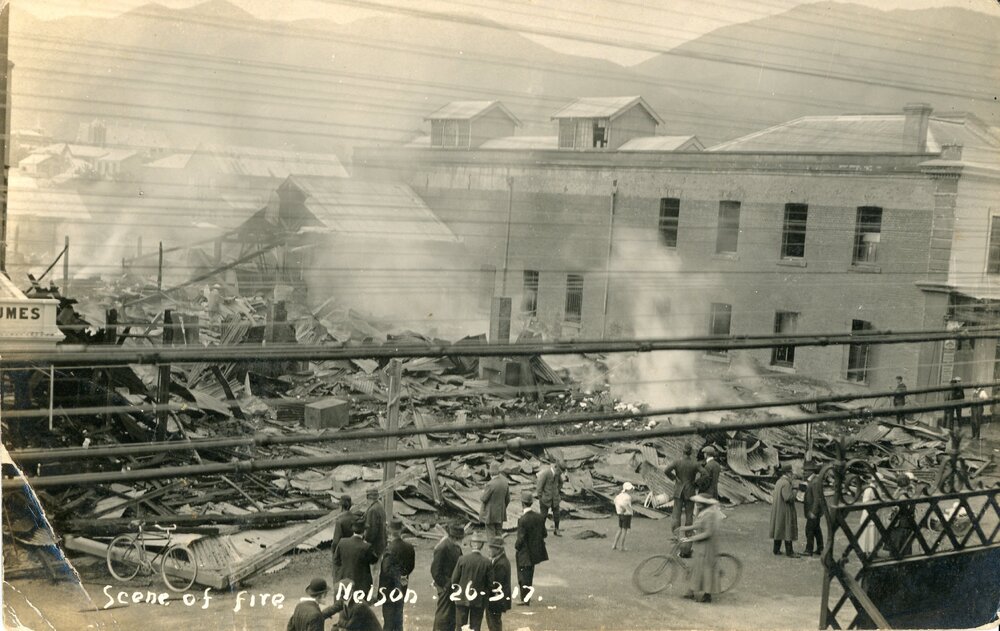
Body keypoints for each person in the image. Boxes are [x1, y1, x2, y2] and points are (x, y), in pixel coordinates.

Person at [678, 494, 724, 603]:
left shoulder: (710, 514)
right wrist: (685, 527)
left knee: (706, 570)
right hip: (701, 546)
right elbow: (698, 525)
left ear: (705, 504)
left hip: (708, 546)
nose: (697, 504)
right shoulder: (703, 512)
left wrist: (691, 539)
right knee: (697, 568)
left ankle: (707, 595)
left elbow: (708, 533)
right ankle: (691, 591)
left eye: (699, 502)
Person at [451, 531, 492, 631]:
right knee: (475, 626)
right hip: (478, 600)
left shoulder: (462, 559)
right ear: (482, 545)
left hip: (461, 598)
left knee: (460, 626)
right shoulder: (486, 562)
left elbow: (454, 580)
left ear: (471, 544)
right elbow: (490, 584)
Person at [380, 518, 415, 631]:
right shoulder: (409, 547)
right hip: (402, 586)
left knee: (389, 621)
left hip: (389, 589)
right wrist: (402, 576)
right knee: (398, 618)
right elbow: (411, 566)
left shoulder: (389, 549)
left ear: (390, 532)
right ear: (401, 531)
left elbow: (386, 570)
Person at [665, 443, 699, 556]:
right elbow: (705, 474)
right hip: (690, 491)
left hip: (678, 491)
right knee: (689, 515)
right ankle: (688, 534)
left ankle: (675, 535)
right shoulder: (695, 463)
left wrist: (675, 478)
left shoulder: (677, 462)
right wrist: (696, 483)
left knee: (676, 514)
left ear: (683, 451)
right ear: (691, 452)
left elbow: (666, 470)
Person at [514, 491, 547, 606]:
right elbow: (544, 534)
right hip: (535, 552)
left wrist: (516, 546)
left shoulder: (522, 520)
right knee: (529, 575)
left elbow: (521, 539)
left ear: (522, 504)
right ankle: (526, 598)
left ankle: (525, 599)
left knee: (522, 576)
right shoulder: (539, 517)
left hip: (524, 552)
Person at [431, 523, 465, 631]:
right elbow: (435, 571)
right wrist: (445, 585)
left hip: (452, 586)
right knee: (443, 615)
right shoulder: (442, 548)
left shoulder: (455, 548)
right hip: (445, 586)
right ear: (454, 537)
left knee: (450, 615)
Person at [334, 520, 378, 596]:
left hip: (344, 579)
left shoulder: (342, 542)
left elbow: (336, 560)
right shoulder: (366, 546)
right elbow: (374, 560)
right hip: (361, 582)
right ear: (364, 532)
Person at [769, 464, 798, 557]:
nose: (792, 474)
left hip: (778, 509)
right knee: (787, 528)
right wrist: (795, 489)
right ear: (788, 473)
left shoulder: (779, 482)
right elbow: (788, 498)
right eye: (791, 472)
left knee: (779, 527)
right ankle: (790, 552)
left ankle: (776, 550)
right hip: (785, 510)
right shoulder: (786, 483)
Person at [485, 536, 512, 631]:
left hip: (496, 600)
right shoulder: (500, 561)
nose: (489, 550)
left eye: (491, 548)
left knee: (494, 624)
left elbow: (495, 583)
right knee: (493, 623)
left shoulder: (501, 564)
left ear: (498, 549)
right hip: (497, 599)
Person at [364, 488, 388, 590]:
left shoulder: (372, 510)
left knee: (373, 571)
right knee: (377, 570)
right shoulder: (380, 506)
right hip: (381, 543)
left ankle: (373, 594)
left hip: (374, 546)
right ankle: (376, 592)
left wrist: (365, 542)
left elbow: (371, 531)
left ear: (368, 498)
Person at [481, 462, 511, 537]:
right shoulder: (505, 482)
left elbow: (484, 499)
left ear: (490, 473)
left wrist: (483, 491)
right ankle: (499, 548)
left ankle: (493, 548)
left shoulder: (490, 484)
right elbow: (508, 499)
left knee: (491, 534)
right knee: (499, 533)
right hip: (500, 513)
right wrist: (502, 507)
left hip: (490, 514)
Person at [802, 462, 826, 557]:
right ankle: (820, 548)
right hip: (813, 511)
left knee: (809, 530)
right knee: (816, 530)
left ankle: (809, 550)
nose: (803, 473)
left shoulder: (815, 482)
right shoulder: (813, 481)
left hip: (813, 511)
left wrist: (813, 512)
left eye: (805, 471)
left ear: (810, 472)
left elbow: (817, 499)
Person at [332, 495, 357, 581]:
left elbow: (336, 541)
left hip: (342, 553)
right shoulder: (356, 518)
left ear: (341, 507)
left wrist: (334, 554)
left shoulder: (340, 521)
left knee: (340, 577)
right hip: (355, 551)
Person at [536, 462, 563, 536]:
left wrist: (557, 490)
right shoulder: (545, 474)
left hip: (555, 498)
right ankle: (541, 530)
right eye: (559, 471)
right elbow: (539, 487)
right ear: (555, 467)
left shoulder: (558, 474)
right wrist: (540, 497)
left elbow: (561, 483)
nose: (559, 473)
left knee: (557, 514)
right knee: (543, 515)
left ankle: (557, 529)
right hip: (545, 498)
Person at [612, 482, 634, 551]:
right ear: (627, 490)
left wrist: (619, 509)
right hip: (626, 515)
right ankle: (622, 547)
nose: (631, 490)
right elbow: (625, 505)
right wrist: (624, 509)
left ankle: (614, 545)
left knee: (620, 529)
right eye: (630, 489)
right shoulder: (628, 497)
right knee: (624, 531)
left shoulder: (619, 496)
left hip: (620, 514)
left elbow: (615, 501)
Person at [859, 480, 878, 557]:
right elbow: (865, 501)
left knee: (873, 532)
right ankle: (864, 550)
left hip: (874, 513)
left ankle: (872, 550)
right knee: (866, 531)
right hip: (868, 513)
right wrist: (874, 501)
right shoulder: (869, 489)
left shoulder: (877, 489)